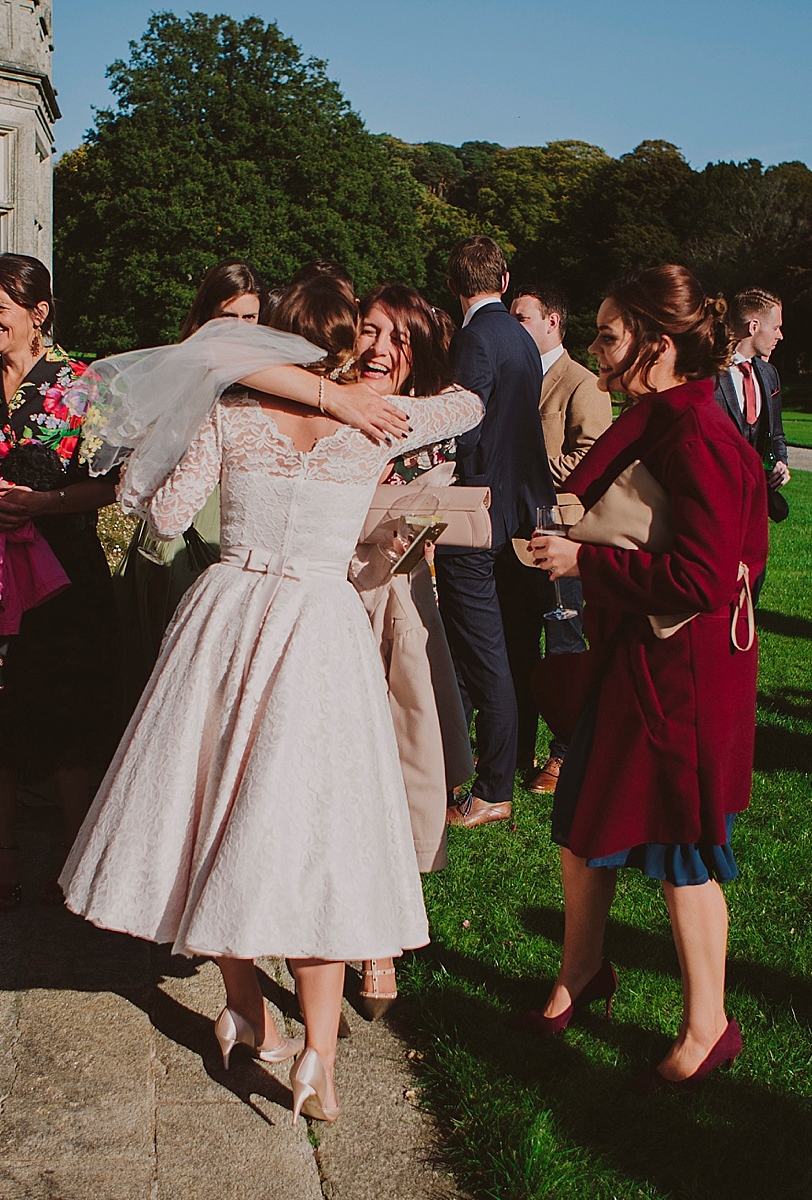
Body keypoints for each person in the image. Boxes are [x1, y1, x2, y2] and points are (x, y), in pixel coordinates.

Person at [60, 278, 484, 1124]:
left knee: (209, 815)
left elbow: (168, 517)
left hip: (226, 619)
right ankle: (318, 1057)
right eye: (367, 335)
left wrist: (192, 431)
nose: (375, 352)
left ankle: (248, 1006)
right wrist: (366, 399)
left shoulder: (231, 412)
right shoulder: (386, 421)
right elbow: (470, 403)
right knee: (314, 833)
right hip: (318, 631)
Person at [524, 264, 767, 1091]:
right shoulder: (668, 417)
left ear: (658, 345)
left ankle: (710, 1025)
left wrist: (584, 563)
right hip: (638, 662)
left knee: (682, 847)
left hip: (682, 679)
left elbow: (707, 578)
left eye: (609, 332)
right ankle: (582, 972)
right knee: (584, 813)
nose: (596, 347)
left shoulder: (695, 429)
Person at [0, 254, 124, 910]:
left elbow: (110, 483)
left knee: (64, 713)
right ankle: (1, 846)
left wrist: (41, 505)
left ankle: (76, 856)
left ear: (38, 314)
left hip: (64, 579)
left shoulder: (83, 388)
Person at [346, 283, 475, 1019]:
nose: (379, 350)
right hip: (330, 602)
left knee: (399, 764)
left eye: (396, 338)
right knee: (337, 767)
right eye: (369, 332)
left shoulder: (435, 424)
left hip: (399, 607)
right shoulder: (324, 411)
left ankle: (381, 941)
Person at [439, 237, 556, 829]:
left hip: (476, 512)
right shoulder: (520, 336)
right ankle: (458, 771)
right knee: (492, 647)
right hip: (515, 510)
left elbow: (465, 423)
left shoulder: (477, 339)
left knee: (486, 656)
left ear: (453, 284)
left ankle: (492, 789)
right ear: (504, 279)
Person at [119, 262, 271, 693]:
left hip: (237, 511)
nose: (240, 329)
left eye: (250, 318)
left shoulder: (271, 379)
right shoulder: (183, 366)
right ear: (207, 315)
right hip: (182, 510)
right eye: (229, 316)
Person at [511, 283, 614, 796]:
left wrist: (521, 470)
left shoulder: (582, 383)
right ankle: (517, 745)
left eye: (522, 316)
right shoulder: (515, 376)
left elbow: (589, 458)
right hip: (513, 534)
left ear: (552, 321)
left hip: (563, 536)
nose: (513, 325)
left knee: (565, 644)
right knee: (518, 642)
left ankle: (565, 752)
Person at [713, 289, 790, 527]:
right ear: (754, 326)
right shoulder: (707, 372)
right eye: (776, 327)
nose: (781, 336)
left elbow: (774, 434)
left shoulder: (769, 374)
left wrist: (779, 462)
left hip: (756, 505)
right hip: (715, 502)